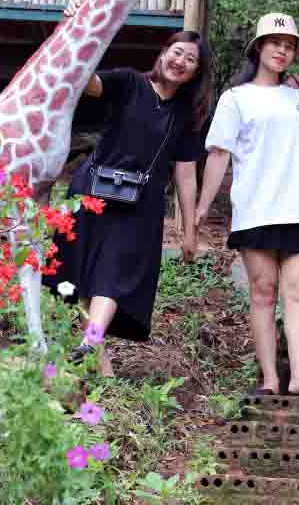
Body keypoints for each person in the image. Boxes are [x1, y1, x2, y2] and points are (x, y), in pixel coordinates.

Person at [48, 27, 214, 377]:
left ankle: (91, 343)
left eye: (190, 59)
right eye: (177, 52)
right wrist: (78, 32)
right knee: (82, 277)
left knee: (112, 274)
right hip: (91, 192)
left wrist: (189, 231)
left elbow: (186, 174)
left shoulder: (187, 113)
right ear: (163, 52)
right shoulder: (129, 82)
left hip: (139, 205)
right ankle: (101, 363)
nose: (180, 61)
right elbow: (89, 83)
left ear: (196, 72)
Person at [195, 13, 299, 397]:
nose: (282, 50)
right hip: (254, 210)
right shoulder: (235, 98)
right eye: (275, 43)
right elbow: (219, 154)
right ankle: (270, 379)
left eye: (289, 46)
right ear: (259, 47)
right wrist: (202, 206)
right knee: (263, 292)